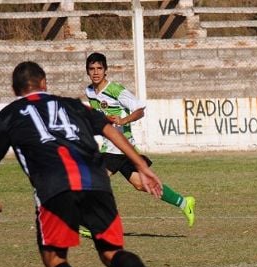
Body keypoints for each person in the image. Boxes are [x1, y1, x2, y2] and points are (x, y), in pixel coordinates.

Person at [0, 61, 174, 267]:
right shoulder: (73, 104)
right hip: (97, 182)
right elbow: (108, 129)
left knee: (54, 259)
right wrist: (141, 165)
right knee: (111, 252)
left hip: (54, 188)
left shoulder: (8, 115)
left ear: (14, 88)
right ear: (44, 83)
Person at [84, 52, 195, 233]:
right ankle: (184, 202)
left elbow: (140, 110)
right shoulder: (89, 91)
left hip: (119, 146)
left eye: (99, 68)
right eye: (92, 69)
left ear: (106, 71)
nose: (96, 72)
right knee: (140, 184)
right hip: (114, 147)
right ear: (87, 71)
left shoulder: (116, 90)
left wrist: (123, 120)